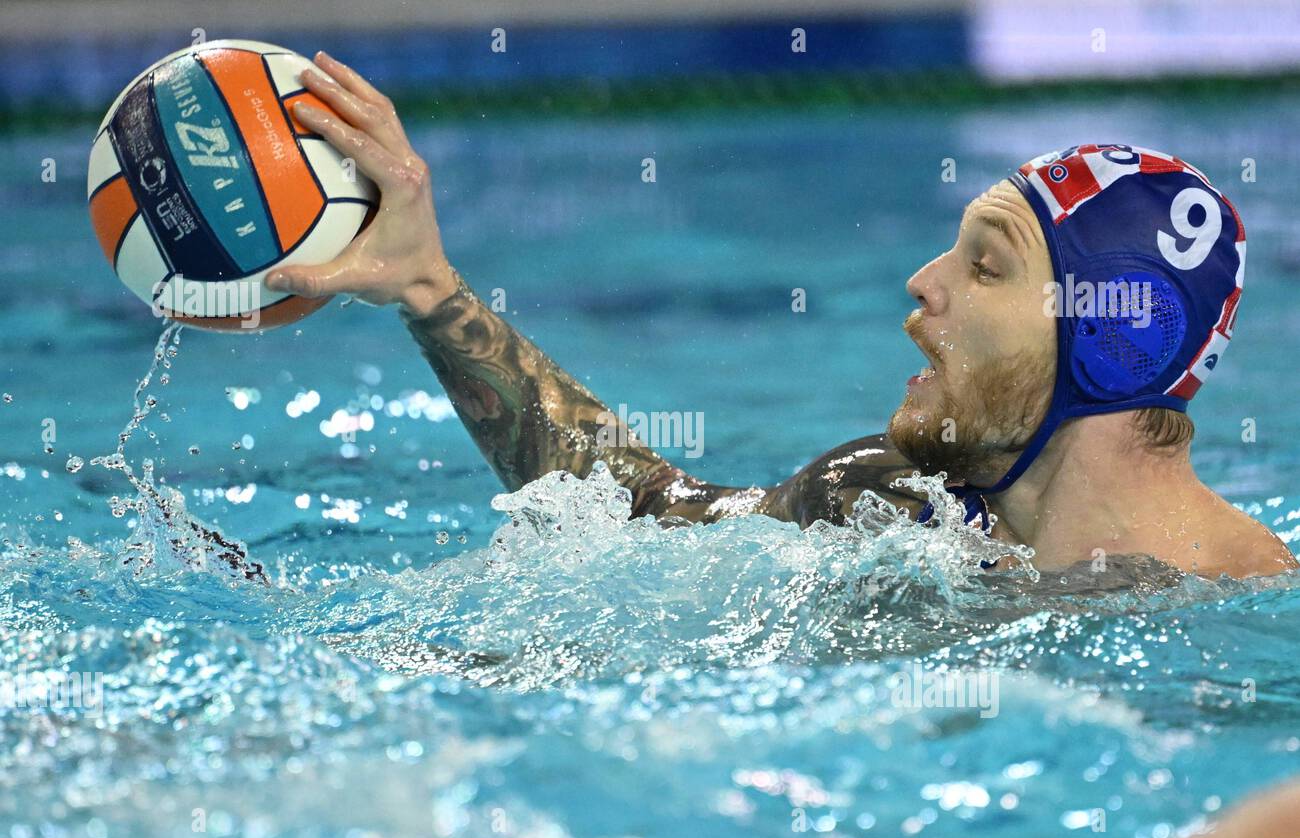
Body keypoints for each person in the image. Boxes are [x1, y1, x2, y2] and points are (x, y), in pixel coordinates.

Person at [266, 52, 1297, 580]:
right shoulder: (892, 510)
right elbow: (639, 518)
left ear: (1121, 341)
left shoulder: (1257, 628)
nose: (921, 281)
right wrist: (427, 291)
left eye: (984, 264)